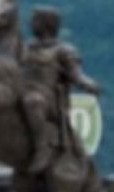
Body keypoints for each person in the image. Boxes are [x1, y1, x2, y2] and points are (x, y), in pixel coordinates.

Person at [21, 6, 100, 173]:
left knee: (32, 101)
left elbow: (76, 74)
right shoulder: (27, 47)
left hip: (47, 100)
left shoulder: (63, 50)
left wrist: (88, 84)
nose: (30, 24)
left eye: (34, 20)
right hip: (23, 92)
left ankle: (43, 147)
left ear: (45, 24)